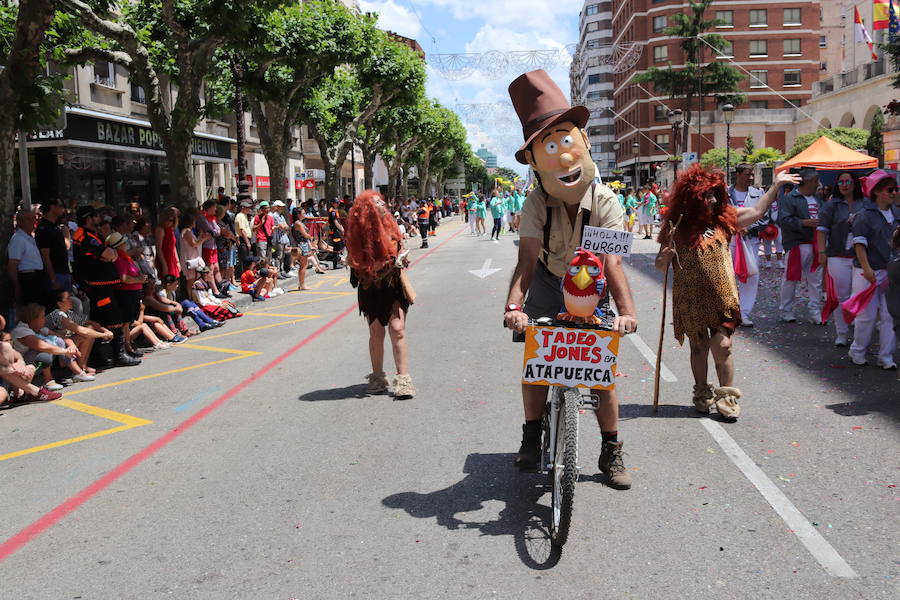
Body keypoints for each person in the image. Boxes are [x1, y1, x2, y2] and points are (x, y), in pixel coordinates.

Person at [502, 70, 637, 488]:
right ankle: (530, 435)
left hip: (590, 284)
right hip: (546, 280)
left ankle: (611, 450)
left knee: (602, 371)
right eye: (549, 147)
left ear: (583, 144)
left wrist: (627, 313)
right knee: (536, 362)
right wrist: (513, 308)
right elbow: (525, 262)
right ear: (534, 161)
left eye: (566, 141)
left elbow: (612, 263)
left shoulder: (606, 200)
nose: (561, 157)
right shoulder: (536, 202)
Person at [656, 166, 798, 421]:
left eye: (714, 194)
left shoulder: (725, 218)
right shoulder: (676, 226)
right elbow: (660, 264)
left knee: (722, 346)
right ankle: (701, 393)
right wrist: (664, 259)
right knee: (698, 348)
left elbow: (756, 211)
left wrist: (776, 186)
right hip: (691, 298)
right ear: (692, 197)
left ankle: (726, 396)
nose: (711, 200)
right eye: (706, 195)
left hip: (723, 298)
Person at [346, 190, 416, 399]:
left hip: (393, 285)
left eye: (381, 202)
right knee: (376, 332)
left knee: (397, 329)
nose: (381, 205)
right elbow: (354, 261)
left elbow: (401, 248)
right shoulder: (357, 233)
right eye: (376, 203)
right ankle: (377, 377)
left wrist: (402, 258)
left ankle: (403, 380)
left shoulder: (391, 226)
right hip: (370, 288)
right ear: (366, 209)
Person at [73, 206, 140, 367]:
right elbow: (110, 254)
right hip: (97, 286)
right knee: (113, 317)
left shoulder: (91, 235)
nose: (99, 218)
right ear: (89, 218)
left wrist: (108, 255)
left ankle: (102, 356)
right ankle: (119, 355)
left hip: (103, 285)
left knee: (102, 318)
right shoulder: (85, 236)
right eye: (96, 216)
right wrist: (107, 256)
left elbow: (111, 254)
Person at [847, 170, 899, 369]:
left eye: (896, 189)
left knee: (890, 315)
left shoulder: (897, 214)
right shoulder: (864, 216)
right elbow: (859, 244)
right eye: (890, 189)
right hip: (867, 271)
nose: (894, 192)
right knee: (866, 316)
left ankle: (886, 356)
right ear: (877, 192)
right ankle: (857, 350)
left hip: (891, 272)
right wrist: (867, 269)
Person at [817, 172, 866, 346]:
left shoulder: (865, 204)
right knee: (841, 296)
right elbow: (822, 230)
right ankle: (842, 333)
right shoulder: (832, 205)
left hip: (861, 257)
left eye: (847, 181)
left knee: (859, 295)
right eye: (840, 182)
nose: (844, 185)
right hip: (837, 255)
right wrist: (822, 253)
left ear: (855, 183)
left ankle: (859, 335)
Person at [11, 303, 94, 390]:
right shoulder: (21, 331)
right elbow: (42, 346)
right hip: (21, 366)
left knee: (58, 341)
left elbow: (63, 338)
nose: (44, 320)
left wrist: (72, 346)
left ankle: (78, 373)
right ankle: (48, 381)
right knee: (46, 347)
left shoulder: (38, 328)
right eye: (42, 317)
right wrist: (66, 351)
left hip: (34, 362)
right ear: (33, 319)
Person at [779, 167, 824, 323]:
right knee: (791, 278)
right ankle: (786, 310)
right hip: (797, 244)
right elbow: (783, 220)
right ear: (809, 181)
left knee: (815, 280)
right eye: (816, 180)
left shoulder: (818, 199)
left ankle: (815, 311)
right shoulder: (790, 198)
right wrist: (803, 223)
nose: (818, 184)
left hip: (816, 243)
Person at [728, 164, 766, 326]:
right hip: (729, 240)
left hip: (751, 241)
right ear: (737, 175)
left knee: (751, 275)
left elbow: (764, 217)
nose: (750, 177)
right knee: (727, 275)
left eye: (752, 175)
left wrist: (748, 227)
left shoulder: (758, 194)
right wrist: (735, 226)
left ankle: (744, 313)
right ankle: (727, 311)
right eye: (747, 174)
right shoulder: (724, 194)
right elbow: (717, 214)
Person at [46, 288, 112, 375]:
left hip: (65, 343)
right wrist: (104, 335)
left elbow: (88, 322)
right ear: (60, 303)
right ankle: (76, 369)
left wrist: (105, 330)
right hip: (56, 346)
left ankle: (82, 366)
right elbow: (82, 331)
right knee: (85, 334)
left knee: (90, 328)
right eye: (68, 298)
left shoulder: (68, 313)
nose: (72, 300)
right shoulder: (57, 314)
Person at [0, 314, 63, 404]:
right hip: (6, 377)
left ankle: (20, 394)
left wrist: (20, 363)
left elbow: (17, 355)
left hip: (8, 376)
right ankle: (34, 392)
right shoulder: (21, 331)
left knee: (30, 367)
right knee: (2, 394)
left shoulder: (4, 346)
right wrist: (13, 369)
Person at [8, 209, 50, 307]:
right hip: (28, 279)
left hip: (37, 278)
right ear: (20, 222)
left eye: (34, 219)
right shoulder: (18, 239)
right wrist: (17, 287)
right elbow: (12, 265)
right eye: (28, 219)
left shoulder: (30, 237)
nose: (32, 222)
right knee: (32, 311)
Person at [35, 198, 72, 292]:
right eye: (60, 206)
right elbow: (45, 256)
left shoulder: (55, 226)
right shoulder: (44, 229)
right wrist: (53, 279)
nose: (63, 209)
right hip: (56, 275)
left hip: (64, 272)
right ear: (52, 207)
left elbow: (65, 247)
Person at [154, 207, 180, 280]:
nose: (169, 222)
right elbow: (158, 248)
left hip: (172, 259)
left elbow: (173, 246)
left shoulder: (170, 230)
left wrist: (177, 261)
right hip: (164, 259)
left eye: (171, 220)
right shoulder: (160, 229)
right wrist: (164, 264)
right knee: (167, 281)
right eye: (167, 219)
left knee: (174, 282)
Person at [270, 200, 291, 277]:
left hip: (283, 238)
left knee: (282, 256)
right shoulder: (275, 216)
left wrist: (284, 226)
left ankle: (282, 270)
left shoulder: (281, 216)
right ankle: (278, 272)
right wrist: (283, 226)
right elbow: (282, 227)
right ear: (276, 207)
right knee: (279, 256)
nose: (282, 208)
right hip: (278, 239)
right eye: (280, 206)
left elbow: (287, 227)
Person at [234, 199, 254, 273]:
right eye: (247, 207)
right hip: (243, 240)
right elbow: (242, 230)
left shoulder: (244, 216)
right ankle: (244, 275)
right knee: (244, 259)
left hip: (245, 239)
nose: (249, 209)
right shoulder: (240, 216)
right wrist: (247, 242)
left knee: (246, 258)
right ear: (243, 208)